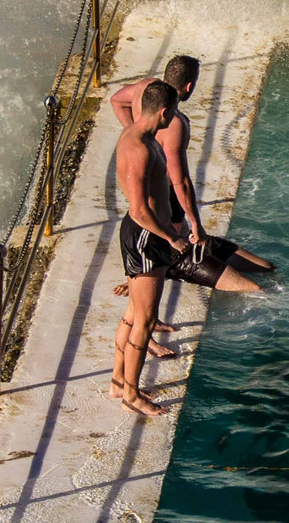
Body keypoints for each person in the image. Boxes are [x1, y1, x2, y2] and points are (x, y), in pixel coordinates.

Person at [108, 54, 273, 284]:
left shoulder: (146, 89)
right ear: (189, 86)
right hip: (160, 203)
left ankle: (156, 270)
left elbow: (116, 100)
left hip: (151, 195)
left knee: (266, 268)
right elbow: (180, 182)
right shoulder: (175, 123)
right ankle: (154, 274)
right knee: (176, 236)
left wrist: (137, 132)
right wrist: (196, 222)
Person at [111, 79, 186, 417]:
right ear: (165, 111)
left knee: (133, 314)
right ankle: (131, 394)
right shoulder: (139, 148)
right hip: (145, 236)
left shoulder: (138, 135)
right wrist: (172, 238)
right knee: (144, 320)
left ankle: (117, 381)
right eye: (175, 111)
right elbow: (139, 210)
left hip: (147, 235)